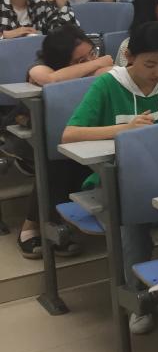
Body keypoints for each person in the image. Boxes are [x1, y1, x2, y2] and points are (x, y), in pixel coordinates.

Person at [63, 21, 158, 334]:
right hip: (121, 181)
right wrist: (125, 130)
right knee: (131, 224)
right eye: (150, 64)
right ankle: (139, 299)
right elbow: (70, 134)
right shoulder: (108, 85)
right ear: (130, 56)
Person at [14, 27, 113, 258]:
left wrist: (94, 65)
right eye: (80, 60)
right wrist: (99, 62)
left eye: (92, 53)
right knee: (57, 161)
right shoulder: (39, 67)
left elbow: (110, 72)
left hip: (81, 132)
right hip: (35, 135)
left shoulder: (94, 67)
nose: (91, 60)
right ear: (60, 60)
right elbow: (51, 79)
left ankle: (62, 222)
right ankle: (33, 225)